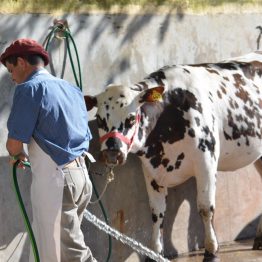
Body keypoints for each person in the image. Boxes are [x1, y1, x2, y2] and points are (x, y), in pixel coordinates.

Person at [1, 38, 97, 262]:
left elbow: (14, 143)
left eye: (12, 69)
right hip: (82, 178)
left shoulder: (29, 89)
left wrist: (18, 155)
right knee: (63, 250)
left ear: (23, 62)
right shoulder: (71, 89)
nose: (12, 77)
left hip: (58, 181)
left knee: (70, 254)